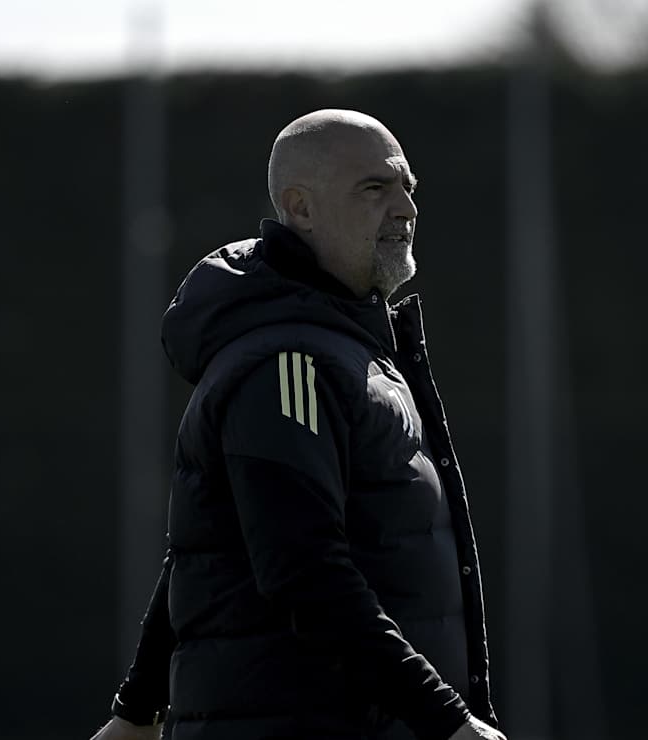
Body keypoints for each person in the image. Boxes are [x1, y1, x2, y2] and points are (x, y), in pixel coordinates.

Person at [89, 109, 504, 740]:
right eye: (375, 188)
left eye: (408, 187)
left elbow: (217, 542)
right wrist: (446, 721)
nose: (405, 209)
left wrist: (137, 709)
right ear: (300, 208)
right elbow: (303, 571)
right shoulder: (290, 360)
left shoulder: (338, 346)